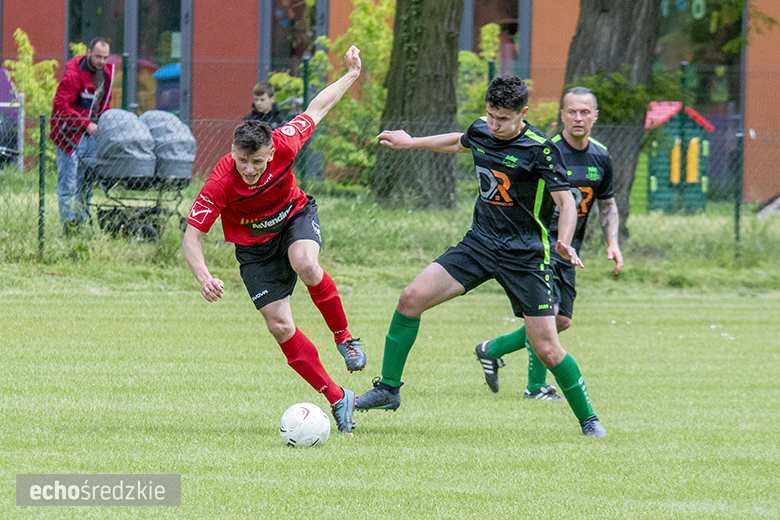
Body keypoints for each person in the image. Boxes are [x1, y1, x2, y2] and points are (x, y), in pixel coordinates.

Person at [356, 76, 607, 438]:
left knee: (548, 347)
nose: (494, 124)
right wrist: (411, 142)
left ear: (522, 113)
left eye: (503, 119)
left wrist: (565, 242)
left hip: (526, 255)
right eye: (490, 115)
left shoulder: (541, 149)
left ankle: (589, 420)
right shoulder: (482, 130)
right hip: (480, 244)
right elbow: (459, 141)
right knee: (410, 298)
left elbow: (566, 201)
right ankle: (388, 390)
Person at [183, 46, 366, 435]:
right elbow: (192, 237)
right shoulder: (220, 181)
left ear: (270, 152)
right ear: (233, 152)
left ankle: (344, 338)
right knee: (280, 326)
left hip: (293, 220)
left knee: (305, 263)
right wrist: (203, 277)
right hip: (254, 250)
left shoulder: (285, 141)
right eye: (242, 161)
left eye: (257, 162)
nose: (249, 170)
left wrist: (350, 75)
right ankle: (338, 397)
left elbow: (317, 108)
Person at [474, 87, 623, 403]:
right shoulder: (544, 149)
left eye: (585, 112)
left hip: (567, 250)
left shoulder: (601, 155)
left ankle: (493, 348)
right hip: (538, 245)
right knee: (549, 313)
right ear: (562, 115)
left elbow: (607, 204)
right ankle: (536, 386)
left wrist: (613, 242)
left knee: (561, 321)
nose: (578, 118)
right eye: (571, 111)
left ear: (595, 116)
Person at [50, 37, 114, 233]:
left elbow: (105, 104)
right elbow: (60, 107)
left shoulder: (107, 75)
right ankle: (68, 227)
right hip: (69, 136)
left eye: (105, 57)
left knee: (85, 183)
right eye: (97, 57)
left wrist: (103, 125)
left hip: (92, 136)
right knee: (68, 184)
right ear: (88, 52)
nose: (101, 62)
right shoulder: (73, 75)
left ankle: (81, 223)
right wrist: (86, 124)